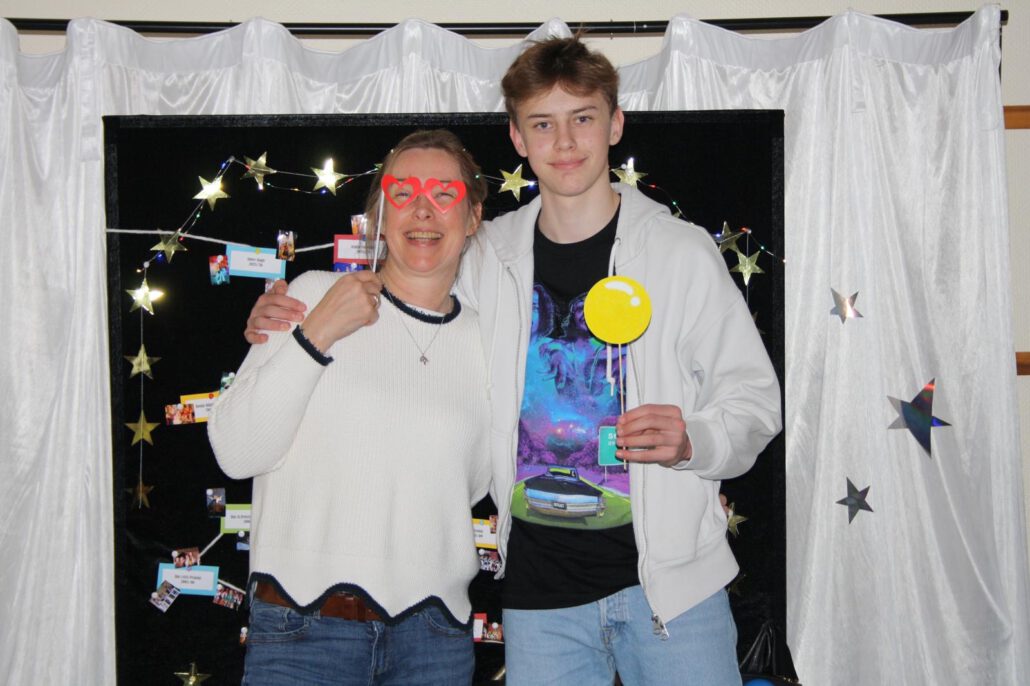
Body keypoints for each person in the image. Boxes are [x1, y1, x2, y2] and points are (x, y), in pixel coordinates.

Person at [245, 36, 781, 686]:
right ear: (517, 137)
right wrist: (288, 313)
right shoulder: (484, 257)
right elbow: (407, 289)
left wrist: (695, 440)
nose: (565, 142)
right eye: (543, 124)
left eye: (583, 118)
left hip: (673, 592)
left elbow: (755, 402)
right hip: (539, 604)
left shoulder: (680, 253)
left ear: (615, 124)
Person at [209, 129, 491, 686]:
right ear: (379, 215)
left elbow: (477, 482)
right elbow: (236, 452)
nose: (423, 210)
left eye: (444, 194)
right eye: (403, 192)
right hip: (302, 631)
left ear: (474, 217)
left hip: (435, 641)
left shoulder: (490, 340)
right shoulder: (312, 294)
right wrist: (315, 334)